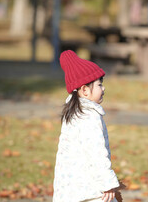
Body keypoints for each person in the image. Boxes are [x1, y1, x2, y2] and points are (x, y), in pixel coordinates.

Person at [53, 50, 122, 202]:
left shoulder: (74, 113)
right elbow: (96, 152)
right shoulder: (89, 116)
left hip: (70, 190)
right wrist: (108, 183)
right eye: (99, 84)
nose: (103, 88)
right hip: (90, 191)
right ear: (84, 90)